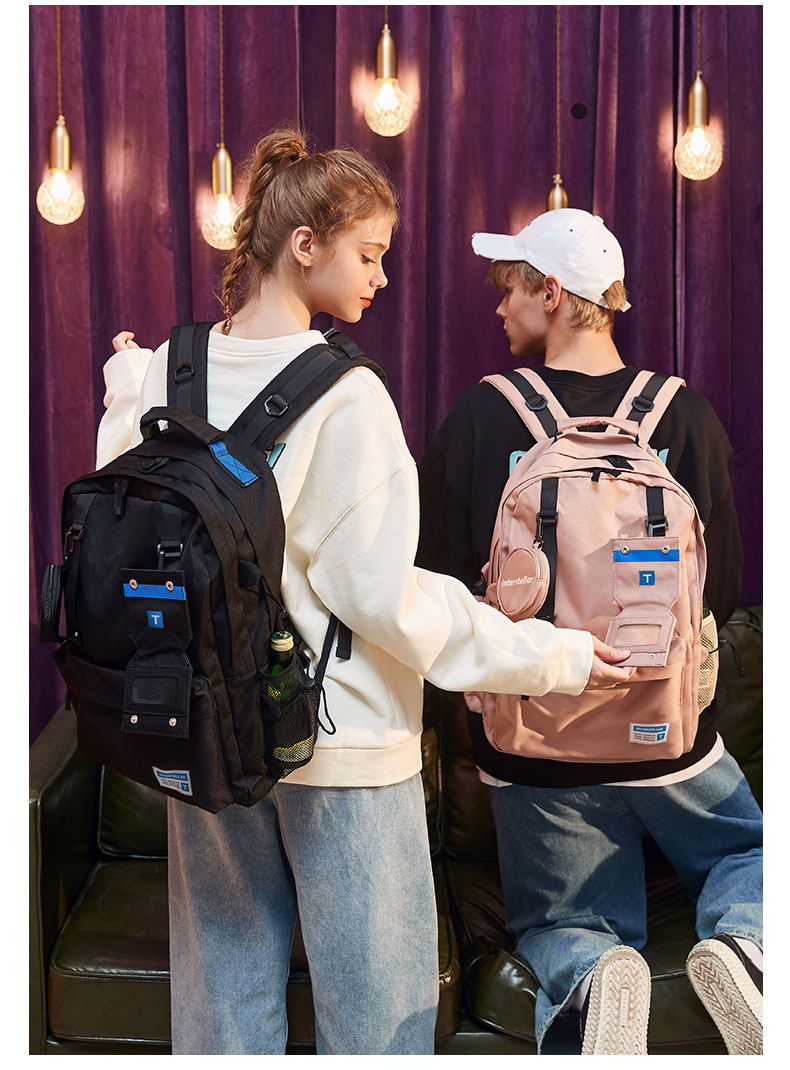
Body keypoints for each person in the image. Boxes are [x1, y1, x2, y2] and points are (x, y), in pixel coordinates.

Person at [95, 132, 632, 1056]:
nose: (382, 278)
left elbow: (126, 508)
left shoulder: (163, 370)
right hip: (338, 746)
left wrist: (121, 386)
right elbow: (385, 598)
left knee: (221, 1015)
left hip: (199, 727)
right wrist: (558, 655)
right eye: (370, 254)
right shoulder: (347, 396)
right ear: (305, 245)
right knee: (377, 1022)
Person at [416, 208, 762, 1056]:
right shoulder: (685, 415)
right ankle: (750, 946)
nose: (500, 306)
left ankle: (590, 972)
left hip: (538, 742)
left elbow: (435, 589)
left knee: (563, 917)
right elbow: (722, 591)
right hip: (668, 734)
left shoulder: (482, 417)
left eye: (510, 287)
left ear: (552, 292)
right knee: (749, 855)